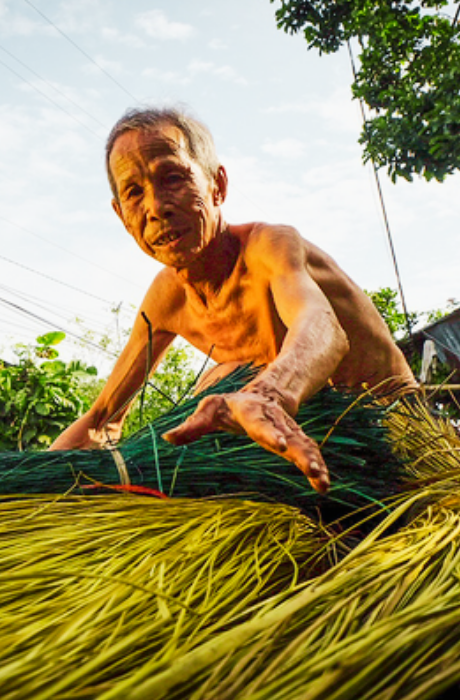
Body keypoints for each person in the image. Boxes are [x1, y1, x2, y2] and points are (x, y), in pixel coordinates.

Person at [50, 107, 416, 493]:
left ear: (217, 186)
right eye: (134, 192)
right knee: (214, 394)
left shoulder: (270, 248)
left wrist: (266, 395)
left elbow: (323, 328)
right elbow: (103, 419)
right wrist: (30, 478)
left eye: (173, 178)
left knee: (226, 386)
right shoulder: (166, 298)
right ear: (122, 216)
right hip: (300, 440)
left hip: (393, 430)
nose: (156, 208)